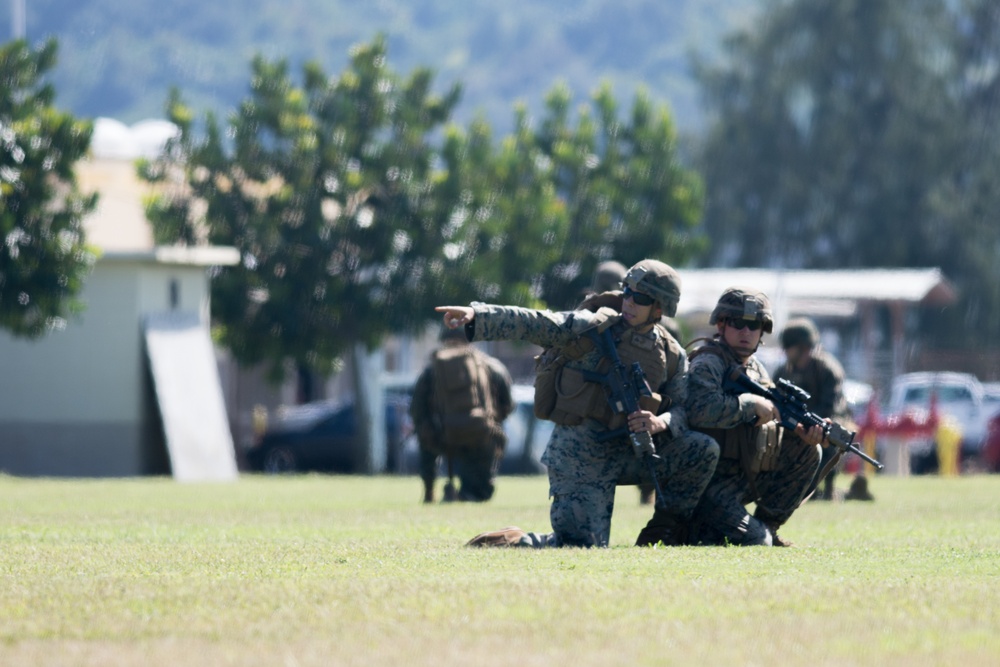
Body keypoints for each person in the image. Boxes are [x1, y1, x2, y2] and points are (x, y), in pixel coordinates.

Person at [437, 259, 720, 548]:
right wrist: (477, 315)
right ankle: (512, 540)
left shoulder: (672, 354)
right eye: (627, 292)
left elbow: (683, 409)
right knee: (581, 546)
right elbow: (534, 323)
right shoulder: (592, 328)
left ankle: (665, 532)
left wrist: (661, 422)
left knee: (702, 448)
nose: (629, 301)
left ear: (660, 308)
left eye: (641, 297)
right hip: (580, 456)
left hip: (631, 452)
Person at [685, 287, 826, 547]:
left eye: (754, 325)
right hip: (709, 484)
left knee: (809, 450)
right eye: (737, 323)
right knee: (757, 542)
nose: (745, 331)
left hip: (744, 475)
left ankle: (769, 526)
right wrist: (750, 405)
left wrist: (804, 430)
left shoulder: (756, 368)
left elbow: (769, 423)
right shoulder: (709, 363)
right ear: (721, 324)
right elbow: (699, 409)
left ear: (763, 331)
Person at [409, 325, 514, 503]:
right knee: (480, 483)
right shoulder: (492, 366)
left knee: (425, 440)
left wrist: (429, 430)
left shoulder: (432, 369)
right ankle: (469, 493)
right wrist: (489, 423)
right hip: (480, 434)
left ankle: (429, 491)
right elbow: (508, 404)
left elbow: (417, 409)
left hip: (442, 435)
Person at [773, 317, 863, 501]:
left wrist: (809, 425)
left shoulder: (827, 369)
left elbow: (830, 406)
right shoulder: (783, 372)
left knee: (831, 437)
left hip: (830, 419)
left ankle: (827, 489)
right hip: (795, 423)